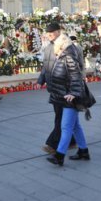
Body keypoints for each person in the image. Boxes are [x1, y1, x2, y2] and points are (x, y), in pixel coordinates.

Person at [45, 33, 90, 166]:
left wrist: (74, 93)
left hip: (70, 98)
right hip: (65, 96)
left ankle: (59, 156)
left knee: (66, 127)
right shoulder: (64, 56)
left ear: (61, 46)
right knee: (75, 126)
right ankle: (84, 151)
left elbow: (76, 75)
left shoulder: (68, 56)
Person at [37, 22, 75, 155]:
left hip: (64, 89)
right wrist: (40, 80)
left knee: (60, 118)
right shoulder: (48, 48)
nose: (49, 36)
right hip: (54, 88)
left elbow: (74, 69)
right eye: (47, 34)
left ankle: (52, 144)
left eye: (51, 34)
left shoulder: (67, 46)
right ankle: (72, 141)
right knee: (67, 119)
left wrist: (74, 89)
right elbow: (46, 67)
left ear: (58, 32)